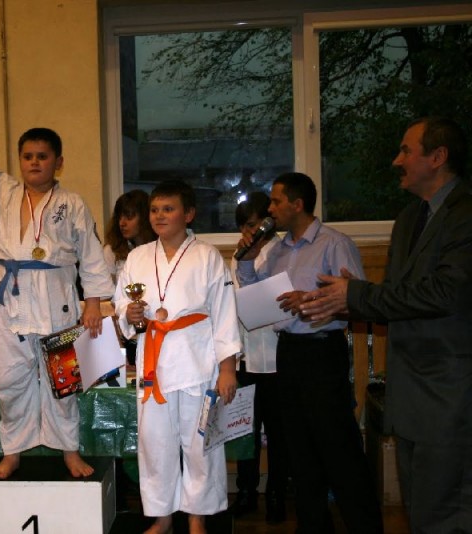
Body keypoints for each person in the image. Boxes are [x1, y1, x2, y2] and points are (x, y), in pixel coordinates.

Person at [0, 82, 114, 480]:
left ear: (58, 162)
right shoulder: (1, 191)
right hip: (12, 303)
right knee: (11, 380)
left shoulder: (72, 204)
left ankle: (69, 449)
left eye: (42, 157)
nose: (34, 162)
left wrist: (93, 303)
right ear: (20, 160)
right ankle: (12, 451)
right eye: (27, 156)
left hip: (58, 300)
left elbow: (91, 255)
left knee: (63, 380)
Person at [300, 117, 472, 533]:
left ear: (438, 156)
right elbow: (399, 297)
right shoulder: (411, 217)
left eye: (406, 151)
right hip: (412, 394)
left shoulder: (465, 214)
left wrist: (358, 295)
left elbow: (445, 293)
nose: (397, 160)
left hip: (451, 395)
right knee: (422, 512)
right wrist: (346, 302)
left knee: (447, 515)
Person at [235, 172, 382, 533]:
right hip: (288, 352)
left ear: (297, 204)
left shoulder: (334, 244)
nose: (270, 209)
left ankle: (364, 526)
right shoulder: (277, 250)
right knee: (299, 450)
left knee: (338, 448)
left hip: (322, 353)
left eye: (276, 201)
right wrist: (246, 259)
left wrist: (312, 300)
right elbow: (256, 297)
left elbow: (358, 301)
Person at [114, 179, 241, 534]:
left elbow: (224, 313)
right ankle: (162, 516)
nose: (159, 216)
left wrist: (227, 369)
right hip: (153, 362)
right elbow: (122, 302)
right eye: (154, 210)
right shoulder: (138, 257)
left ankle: (197, 517)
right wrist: (129, 314)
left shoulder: (207, 256)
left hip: (197, 360)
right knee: (155, 444)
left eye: (168, 209)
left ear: (189, 214)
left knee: (200, 444)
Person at [228, 192, 288, 524]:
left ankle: (277, 493)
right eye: (244, 226)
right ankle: (246, 492)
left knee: (279, 432)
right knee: (244, 430)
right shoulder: (237, 257)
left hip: (278, 357)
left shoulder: (282, 251)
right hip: (247, 358)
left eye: (254, 225)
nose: (249, 232)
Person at [103, 189, 156, 284]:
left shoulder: (160, 248)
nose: (122, 223)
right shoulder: (112, 250)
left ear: (145, 218)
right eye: (119, 217)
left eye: (129, 216)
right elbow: (107, 290)